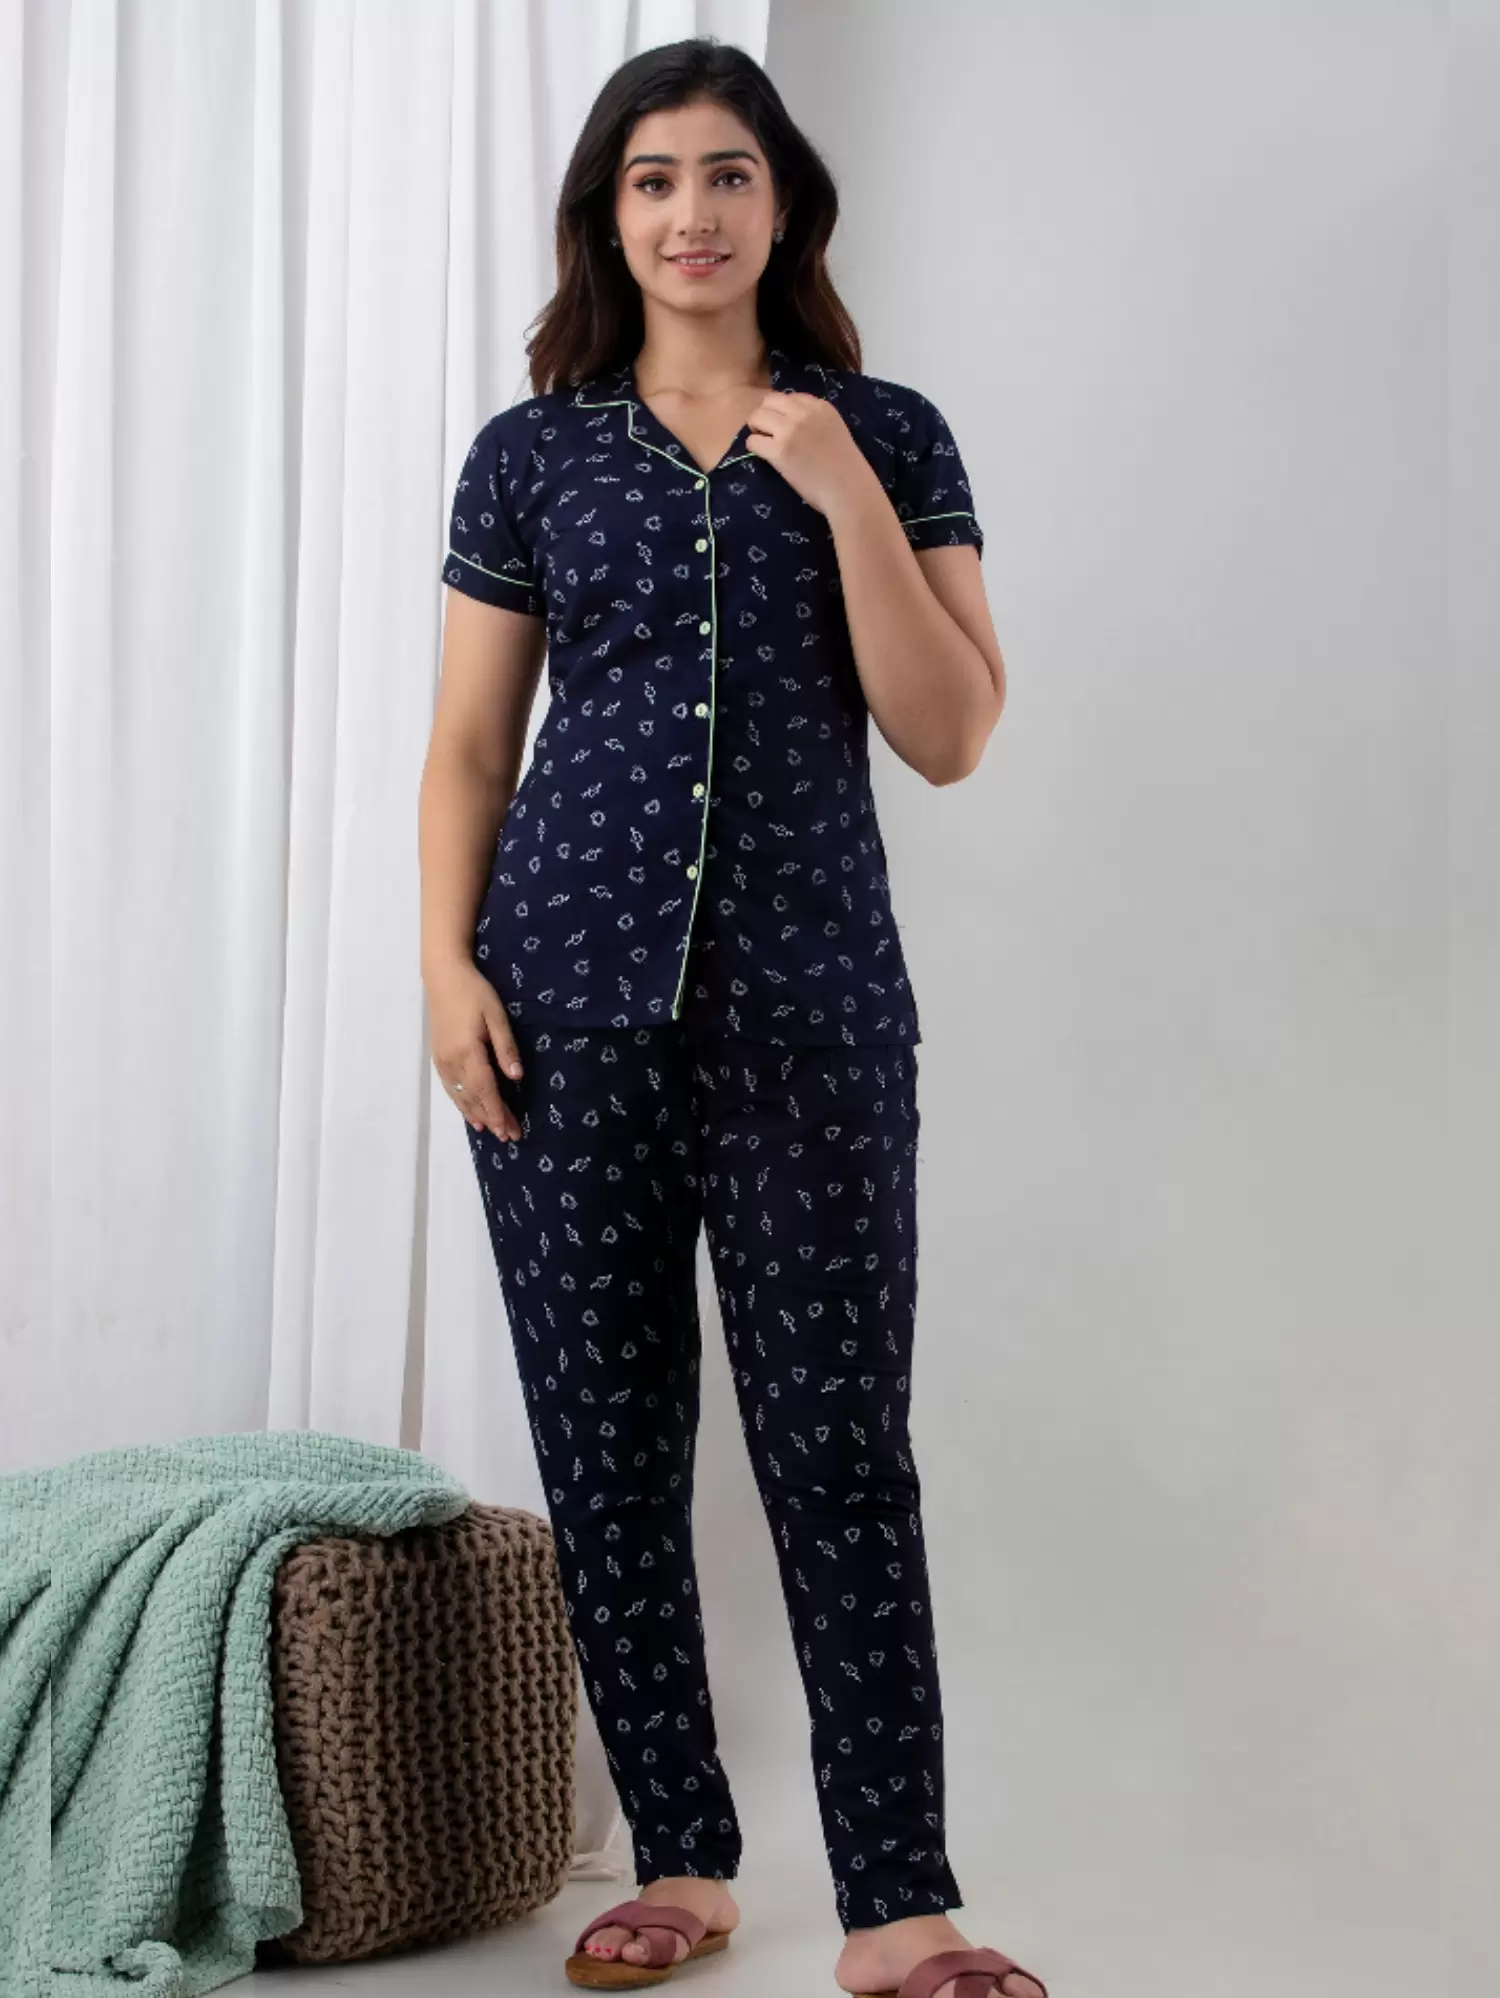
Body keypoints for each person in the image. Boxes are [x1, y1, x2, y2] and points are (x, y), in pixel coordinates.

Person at [419, 35, 1045, 1998]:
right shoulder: (533, 455)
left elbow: (951, 730)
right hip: (559, 1010)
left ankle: (899, 1908)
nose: (690, 212)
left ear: (784, 207)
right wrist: (445, 969)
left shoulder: (891, 434)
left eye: (726, 174)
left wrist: (840, 489)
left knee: (840, 1449)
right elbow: (470, 745)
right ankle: (681, 1863)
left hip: (812, 1018)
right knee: (608, 1447)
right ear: (609, 220)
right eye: (653, 180)